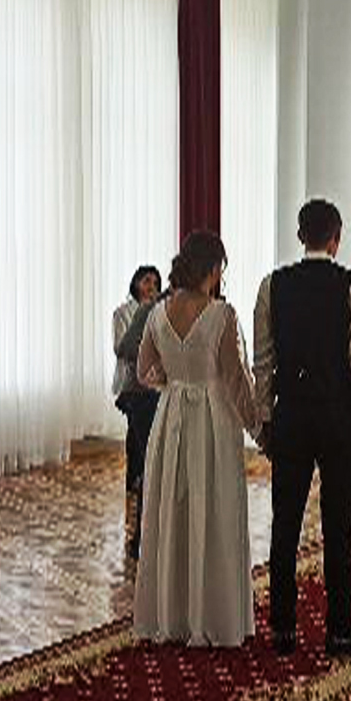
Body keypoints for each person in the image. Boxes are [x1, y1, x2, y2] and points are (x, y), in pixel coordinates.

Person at [254, 199, 351, 657]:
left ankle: (283, 629)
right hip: (335, 417)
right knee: (338, 527)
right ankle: (339, 630)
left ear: (299, 235)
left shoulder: (273, 286)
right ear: (337, 238)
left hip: (290, 415)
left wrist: (264, 421)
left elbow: (263, 362)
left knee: (285, 523)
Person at [133, 233, 260, 647]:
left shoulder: (157, 312)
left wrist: (174, 382)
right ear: (213, 268)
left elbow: (143, 371)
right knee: (214, 511)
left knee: (172, 512)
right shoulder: (221, 314)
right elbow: (235, 379)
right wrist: (259, 427)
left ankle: (171, 616)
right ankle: (213, 617)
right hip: (212, 422)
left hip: (171, 419)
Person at [113, 265, 164, 559]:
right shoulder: (123, 312)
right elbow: (123, 349)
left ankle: (137, 486)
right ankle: (135, 490)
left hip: (154, 389)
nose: (151, 286)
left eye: (155, 282)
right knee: (140, 448)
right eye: (146, 281)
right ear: (135, 283)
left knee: (141, 446)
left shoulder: (160, 310)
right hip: (133, 387)